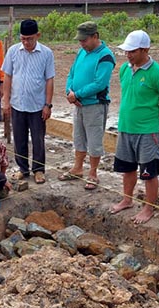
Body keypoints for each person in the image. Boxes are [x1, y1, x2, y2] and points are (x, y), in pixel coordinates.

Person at [109, 30, 159, 224]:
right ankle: (127, 199)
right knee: (127, 167)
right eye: (126, 51)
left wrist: (152, 111)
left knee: (149, 172)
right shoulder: (125, 69)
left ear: (145, 49)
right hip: (125, 127)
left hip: (146, 131)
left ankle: (149, 208)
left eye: (132, 51)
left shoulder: (157, 74)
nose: (128, 55)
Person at [59, 21, 115, 190]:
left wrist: (78, 94)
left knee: (94, 139)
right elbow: (71, 73)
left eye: (84, 40)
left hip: (95, 105)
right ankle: (77, 168)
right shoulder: (81, 52)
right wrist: (70, 92)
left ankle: (93, 172)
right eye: (80, 41)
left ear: (95, 37)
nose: (81, 43)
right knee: (79, 137)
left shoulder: (105, 56)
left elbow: (100, 83)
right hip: (78, 103)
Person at [2, 19, 55, 184]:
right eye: (23, 38)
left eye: (30, 38)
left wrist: (47, 104)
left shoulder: (46, 53)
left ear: (37, 35)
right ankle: (22, 169)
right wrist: (6, 100)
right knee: (19, 138)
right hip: (18, 103)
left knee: (38, 139)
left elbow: (49, 80)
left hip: (37, 106)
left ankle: (38, 170)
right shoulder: (12, 51)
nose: (26, 42)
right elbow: (7, 76)